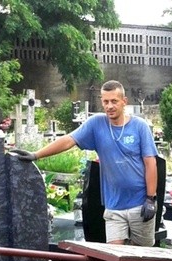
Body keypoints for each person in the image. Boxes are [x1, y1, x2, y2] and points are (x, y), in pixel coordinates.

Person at [13, 80, 159, 246]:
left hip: (139, 203)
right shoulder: (96, 124)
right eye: (105, 101)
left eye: (114, 101)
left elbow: (150, 163)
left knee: (143, 257)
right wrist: (36, 155)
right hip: (114, 206)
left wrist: (150, 199)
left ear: (124, 102)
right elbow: (69, 140)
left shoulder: (139, 127)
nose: (109, 106)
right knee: (115, 256)